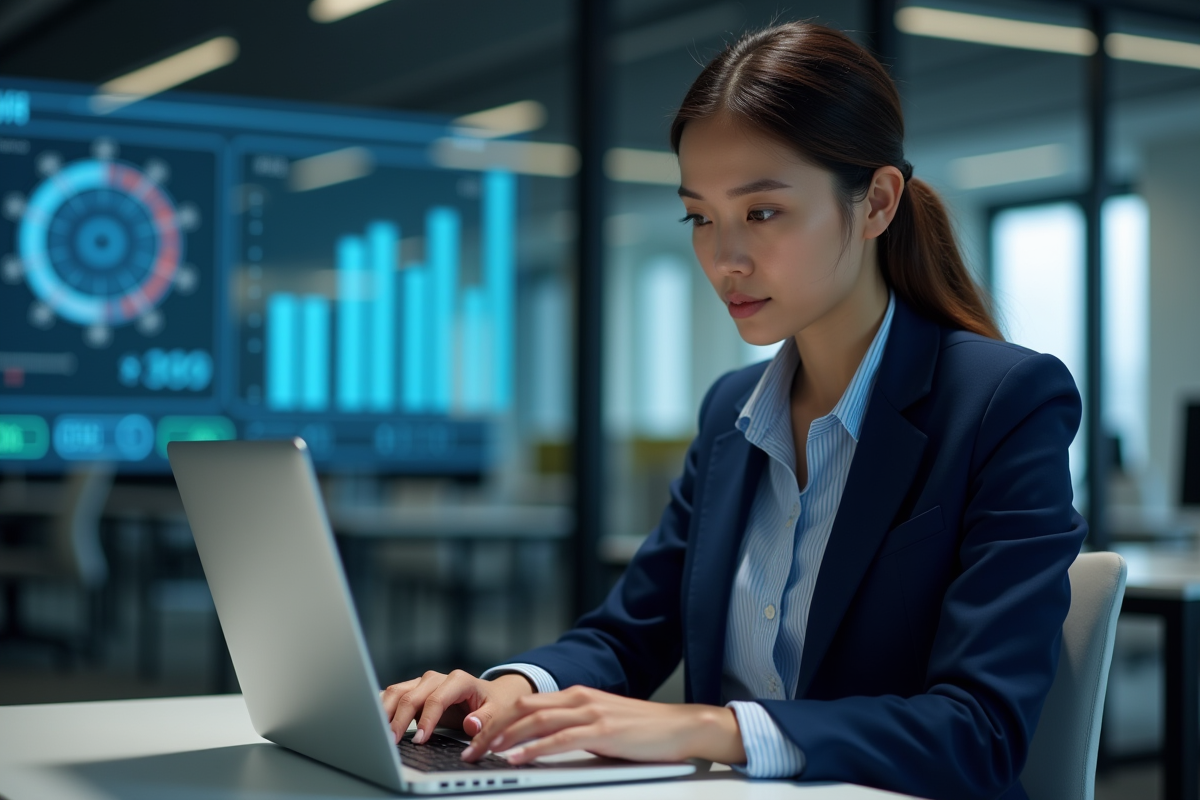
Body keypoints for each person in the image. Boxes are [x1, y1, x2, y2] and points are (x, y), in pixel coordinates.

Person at [380, 21, 1085, 800]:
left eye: (762, 213)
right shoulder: (733, 413)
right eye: (700, 217)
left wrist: (711, 727)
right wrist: (519, 687)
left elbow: (979, 732)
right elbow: (629, 632)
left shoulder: (1002, 402)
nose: (724, 259)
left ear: (878, 202)